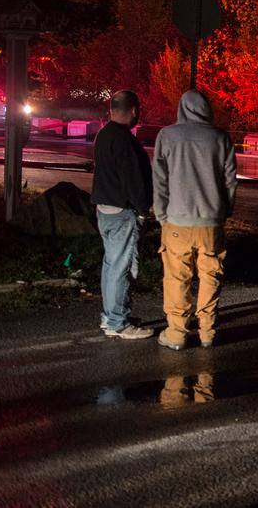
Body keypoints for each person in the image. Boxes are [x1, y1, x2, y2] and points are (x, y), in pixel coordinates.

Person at [152, 90, 238, 351]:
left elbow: (160, 180)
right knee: (211, 276)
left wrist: (161, 214)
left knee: (178, 278)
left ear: (181, 109)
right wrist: (224, 211)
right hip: (211, 222)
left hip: (177, 221)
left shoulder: (167, 136)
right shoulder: (220, 138)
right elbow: (230, 181)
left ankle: (177, 333)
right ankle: (207, 332)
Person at [91, 89, 155, 340]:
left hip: (104, 209)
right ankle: (119, 322)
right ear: (134, 111)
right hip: (121, 211)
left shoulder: (104, 134)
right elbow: (133, 179)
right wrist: (142, 208)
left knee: (111, 265)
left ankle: (110, 316)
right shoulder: (124, 139)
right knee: (121, 267)